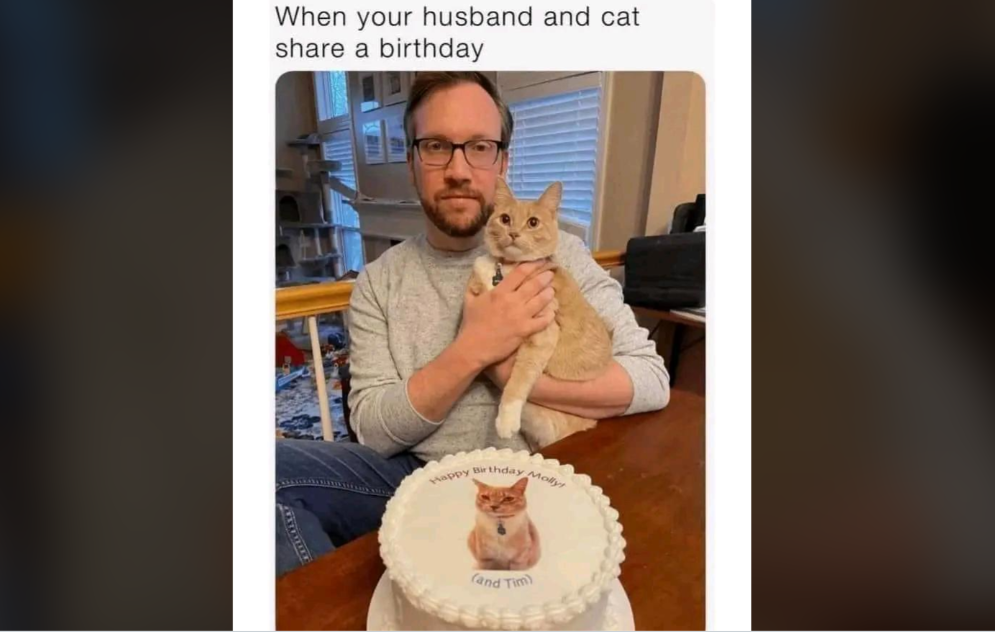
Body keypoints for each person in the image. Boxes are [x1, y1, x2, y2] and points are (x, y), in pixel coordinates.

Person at [276, 72, 669, 576]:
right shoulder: (378, 281)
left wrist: (512, 376)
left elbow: (651, 380)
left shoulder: (562, 255)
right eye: (437, 145)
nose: (459, 169)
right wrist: (474, 348)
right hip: (412, 475)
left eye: (480, 146)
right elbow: (373, 430)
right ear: (413, 161)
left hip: (539, 474)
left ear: (502, 160)